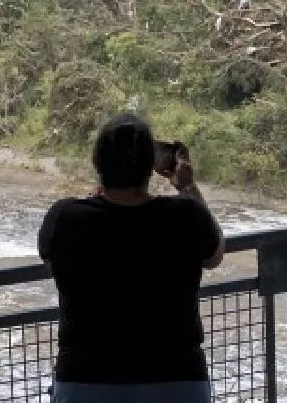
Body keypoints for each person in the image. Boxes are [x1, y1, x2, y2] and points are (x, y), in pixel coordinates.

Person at [38, 113, 225, 403]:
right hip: (177, 380)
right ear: (151, 167)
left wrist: (94, 202)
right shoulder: (186, 215)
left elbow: (56, 264)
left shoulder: (65, 217)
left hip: (85, 381)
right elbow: (214, 257)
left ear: (98, 164)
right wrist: (187, 187)